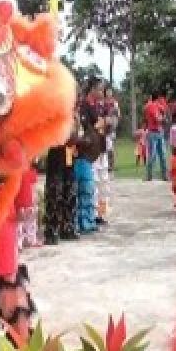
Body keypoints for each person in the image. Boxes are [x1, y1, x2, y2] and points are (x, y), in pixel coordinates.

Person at [43, 112, 79, 244]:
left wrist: (75, 138)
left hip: (69, 156)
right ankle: (51, 231)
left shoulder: (74, 115)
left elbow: (77, 134)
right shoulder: (53, 115)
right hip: (56, 156)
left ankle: (68, 228)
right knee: (54, 194)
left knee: (70, 192)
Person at [74, 85, 104, 235]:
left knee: (89, 188)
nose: (78, 100)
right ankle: (83, 222)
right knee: (84, 189)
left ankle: (89, 220)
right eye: (76, 97)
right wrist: (83, 140)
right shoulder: (80, 111)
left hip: (88, 155)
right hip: (80, 155)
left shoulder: (87, 110)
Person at [143, 90, 169, 181]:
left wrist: (163, 115)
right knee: (155, 155)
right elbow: (158, 119)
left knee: (160, 154)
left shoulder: (153, 106)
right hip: (153, 132)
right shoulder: (152, 106)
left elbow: (162, 114)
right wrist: (164, 118)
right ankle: (151, 175)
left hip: (157, 132)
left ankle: (163, 175)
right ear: (157, 98)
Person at [103, 88, 121, 175]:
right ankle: (107, 165)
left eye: (110, 92)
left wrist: (115, 114)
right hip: (104, 126)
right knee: (106, 147)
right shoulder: (103, 101)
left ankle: (111, 165)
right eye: (107, 92)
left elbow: (118, 114)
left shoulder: (114, 102)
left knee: (111, 148)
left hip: (111, 127)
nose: (108, 93)